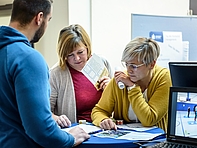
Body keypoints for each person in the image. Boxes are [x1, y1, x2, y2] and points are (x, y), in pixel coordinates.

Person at [0, 0, 90, 147]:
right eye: (49, 20)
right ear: (39, 18)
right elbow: (41, 129)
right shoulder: (28, 59)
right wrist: (70, 138)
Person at [91, 37, 172, 132]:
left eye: (134, 66)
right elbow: (99, 110)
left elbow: (149, 119)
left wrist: (132, 87)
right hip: (124, 140)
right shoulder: (119, 80)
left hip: (156, 142)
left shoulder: (163, 78)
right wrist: (103, 120)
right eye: (126, 64)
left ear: (151, 64)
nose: (129, 70)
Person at [50, 24, 113, 128]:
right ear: (63, 55)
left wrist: (111, 89)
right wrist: (57, 118)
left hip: (104, 126)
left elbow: (118, 103)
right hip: (75, 130)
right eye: (70, 55)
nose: (77, 58)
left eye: (80, 52)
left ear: (87, 47)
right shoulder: (56, 74)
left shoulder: (102, 63)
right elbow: (45, 112)